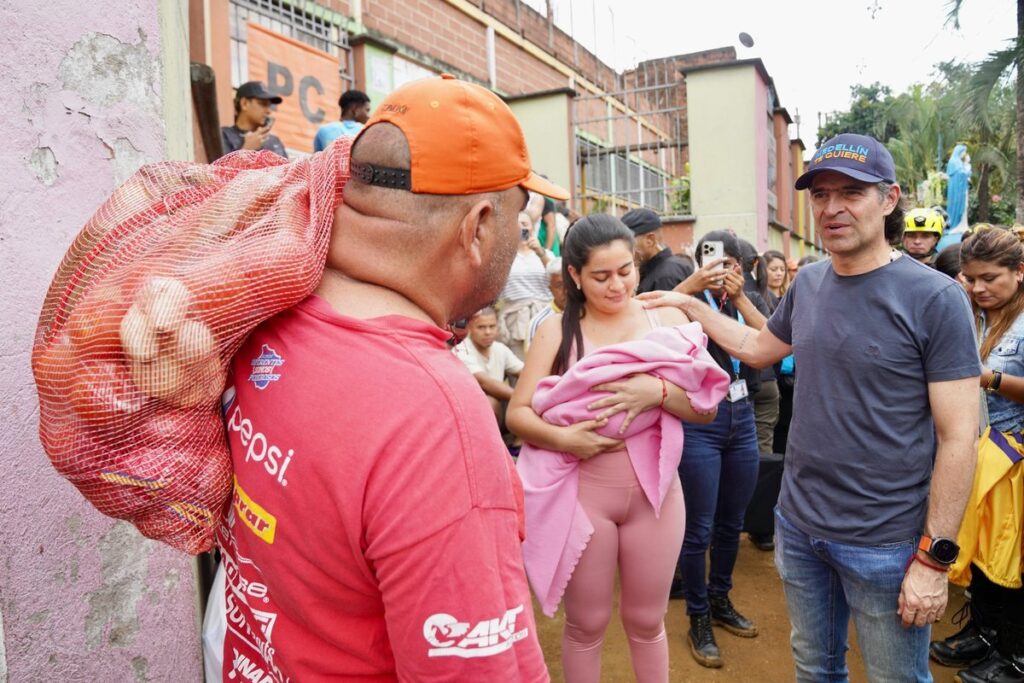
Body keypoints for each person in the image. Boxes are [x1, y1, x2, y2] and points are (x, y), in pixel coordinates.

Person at [218, 74, 568, 682]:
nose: (522, 234)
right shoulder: (434, 419)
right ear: (480, 226)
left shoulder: (269, 310)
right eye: (521, 213)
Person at [641, 132, 982, 682]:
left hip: (887, 542)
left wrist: (933, 559)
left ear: (889, 199)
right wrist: (688, 303)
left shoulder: (935, 298)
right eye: (820, 195)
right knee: (814, 669)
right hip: (800, 528)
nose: (831, 208)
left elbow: (960, 436)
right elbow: (757, 347)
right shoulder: (812, 283)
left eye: (851, 192)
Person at [507, 214, 727, 683]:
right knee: (586, 624)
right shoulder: (555, 331)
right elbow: (518, 413)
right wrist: (566, 438)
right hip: (585, 495)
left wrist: (659, 393)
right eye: (601, 276)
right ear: (575, 276)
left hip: (657, 494)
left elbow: (706, 406)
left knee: (647, 622)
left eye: (625, 271)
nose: (617, 285)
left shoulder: (664, 317)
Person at [667, 230, 769, 668]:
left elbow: (773, 344)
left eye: (730, 263)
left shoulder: (746, 302)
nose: (721, 270)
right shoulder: (680, 300)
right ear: (696, 262)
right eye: (712, 261)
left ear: (742, 268)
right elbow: (646, 321)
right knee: (699, 528)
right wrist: (691, 288)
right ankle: (698, 616)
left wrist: (741, 298)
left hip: (742, 417)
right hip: (698, 422)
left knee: (733, 523)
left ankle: (720, 599)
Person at [930, 227, 1024, 683]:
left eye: (989, 278)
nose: (978, 288)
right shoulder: (982, 316)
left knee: (1013, 563)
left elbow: (984, 378)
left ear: (1019, 272)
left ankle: (1016, 656)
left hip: (1017, 463)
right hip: (986, 455)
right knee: (984, 558)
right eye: (970, 279)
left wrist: (987, 379)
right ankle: (986, 636)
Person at [496, 212, 553, 359]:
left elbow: (557, 276)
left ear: (533, 228)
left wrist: (540, 252)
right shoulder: (503, 256)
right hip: (516, 318)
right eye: (517, 224)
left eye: (525, 224)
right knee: (519, 365)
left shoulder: (546, 254)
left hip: (544, 315)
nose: (522, 227)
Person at [453, 307, 524, 422]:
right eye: (481, 327)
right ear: (470, 327)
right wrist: (524, 399)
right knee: (490, 402)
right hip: (470, 411)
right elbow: (484, 382)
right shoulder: (462, 349)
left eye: (492, 326)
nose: (488, 332)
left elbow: (524, 372)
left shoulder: (500, 349)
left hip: (501, 409)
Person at [623, 208, 694, 294]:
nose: (624, 251)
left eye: (628, 244)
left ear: (650, 240)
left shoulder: (665, 276)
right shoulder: (668, 267)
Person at [220, 81, 288, 158]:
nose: (269, 111)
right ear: (244, 103)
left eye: (269, 106)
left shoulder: (274, 142)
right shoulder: (224, 135)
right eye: (263, 104)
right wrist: (246, 149)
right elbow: (218, 168)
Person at [525, 257, 566, 352]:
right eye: (560, 286)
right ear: (550, 289)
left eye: (570, 283)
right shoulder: (539, 322)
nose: (566, 290)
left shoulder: (591, 313)